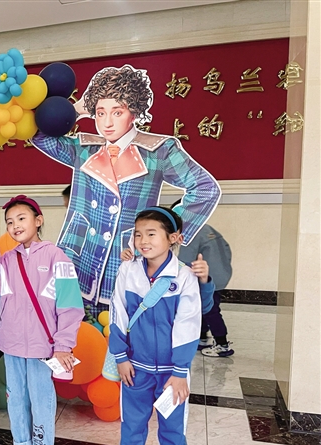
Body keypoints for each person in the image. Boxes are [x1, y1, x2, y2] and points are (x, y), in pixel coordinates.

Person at [32, 65, 221, 317]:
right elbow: (37, 134)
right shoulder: (84, 148)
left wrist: (165, 232)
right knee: (71, 330)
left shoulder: (159, 151)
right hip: (77, 257)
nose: (107, 123)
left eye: (117, 112)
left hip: (125, 258)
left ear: (134, 111)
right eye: (100, 113)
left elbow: (205, 189)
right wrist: (76, 110)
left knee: (119, 331)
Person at [0, 195, 84, 445]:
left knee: (41, 400)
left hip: (42, 346)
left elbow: (70, 304)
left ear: (38, 221)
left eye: (21, 218)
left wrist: (63, 345)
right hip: (12, 343)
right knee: (16, 399)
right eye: (9, 222)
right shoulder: (6, 259)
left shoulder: (56, 257)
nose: (15, 225)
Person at [108, 207, 201, 445]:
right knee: (132, 425)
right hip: (136, 368)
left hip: (172, 374)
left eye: (151, 234)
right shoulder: (128, 271)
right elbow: (119, 314)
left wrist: (180, 371)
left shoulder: (184, 276)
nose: (143, 241)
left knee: (172, 428)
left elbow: (188, 324)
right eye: (138, 234)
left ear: (172, 238)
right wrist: (121, 357)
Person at [172, 199, 233, 357]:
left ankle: (222, 344)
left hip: (206, 278)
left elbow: (184, 260)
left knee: (211, 310)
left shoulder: (189, 234)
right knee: (202, 306)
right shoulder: (207, 228)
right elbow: (227, 249)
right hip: (220, 275)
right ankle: (202, 337)